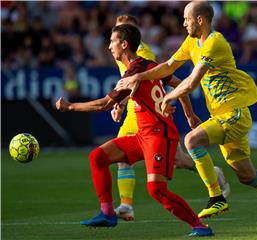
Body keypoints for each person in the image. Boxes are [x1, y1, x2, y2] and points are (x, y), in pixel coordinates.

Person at [116, 1, 257, 235]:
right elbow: (167, 67)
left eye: (186, 19)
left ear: (200, 20)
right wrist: (140, 77)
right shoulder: (192, 42)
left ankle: (215, 196)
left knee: (191, 141)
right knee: (246, 175)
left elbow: (192, 82)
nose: (183, 23)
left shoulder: (215, 42)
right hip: (222, 114)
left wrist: (169, 97)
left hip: (233, 112)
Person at [55, 24, 213, 237]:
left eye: (112, 41)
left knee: (156, 189)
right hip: (142, 136)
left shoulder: (137, 69)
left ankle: (200, 226)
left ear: (124, 44)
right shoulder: (148, 65)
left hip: (159, 135)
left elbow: (104, 104)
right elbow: (178, 85)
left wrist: (70, 106)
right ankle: (107, 213)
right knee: (97, 157)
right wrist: (189, 114)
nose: (110, 46)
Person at [111, 15, 230, 221]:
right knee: (122, 159)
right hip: (134, 113)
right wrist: (120, 104)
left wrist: (186, 111)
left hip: (151, 116)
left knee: (179, 161)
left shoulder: (144, 53)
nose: (116, 40)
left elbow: (161, 79)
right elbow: (126, 83)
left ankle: (215, 174)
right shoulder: (120, 54)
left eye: (123, 31)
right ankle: (126, 206)